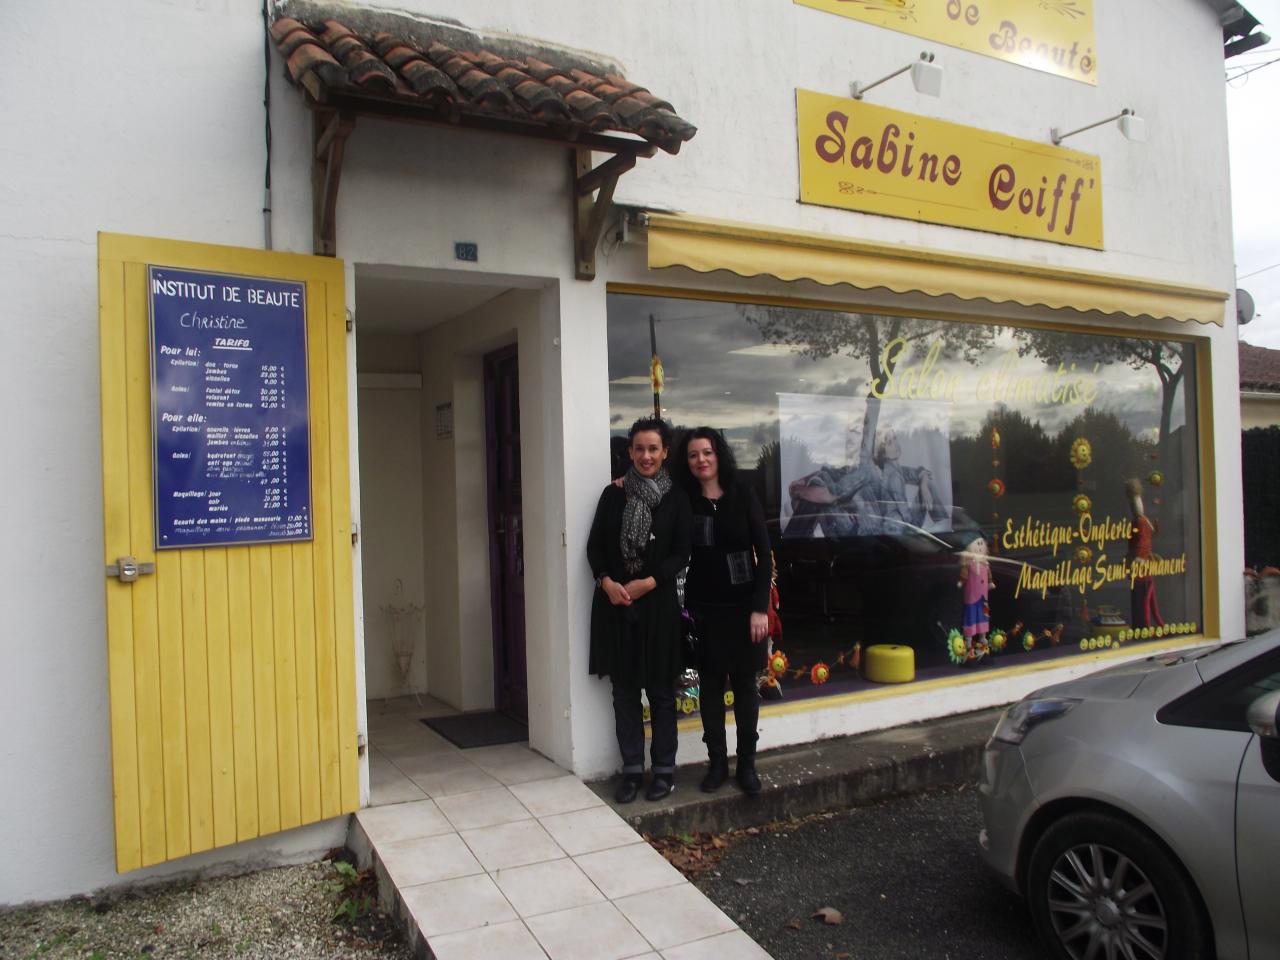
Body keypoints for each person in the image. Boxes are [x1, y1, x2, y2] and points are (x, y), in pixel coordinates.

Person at [587, 417, 691, 803]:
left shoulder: (677, 498)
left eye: (653, 449)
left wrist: (649, 582)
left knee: (662, 694)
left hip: (658, 606)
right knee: (625, 694)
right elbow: (595, 547)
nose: (646, 456)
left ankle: (664, 771)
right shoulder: (612, 495)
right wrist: (607, 582)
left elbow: (682, 551)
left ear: (665, 453)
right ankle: (632, 771)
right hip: (617, 607)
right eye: (639, 449)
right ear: (629, 452)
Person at [674, 426, 772, 795]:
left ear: (719, 455)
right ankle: (717, 764)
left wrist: (759, 608)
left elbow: (764, 555)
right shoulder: (685, 499)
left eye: (707, 452)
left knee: (746, 689)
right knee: (711, 690)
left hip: (745, 610)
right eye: (693, 455)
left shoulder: (743, 493)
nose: (701, 460)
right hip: (704, 611)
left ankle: (747, 765)